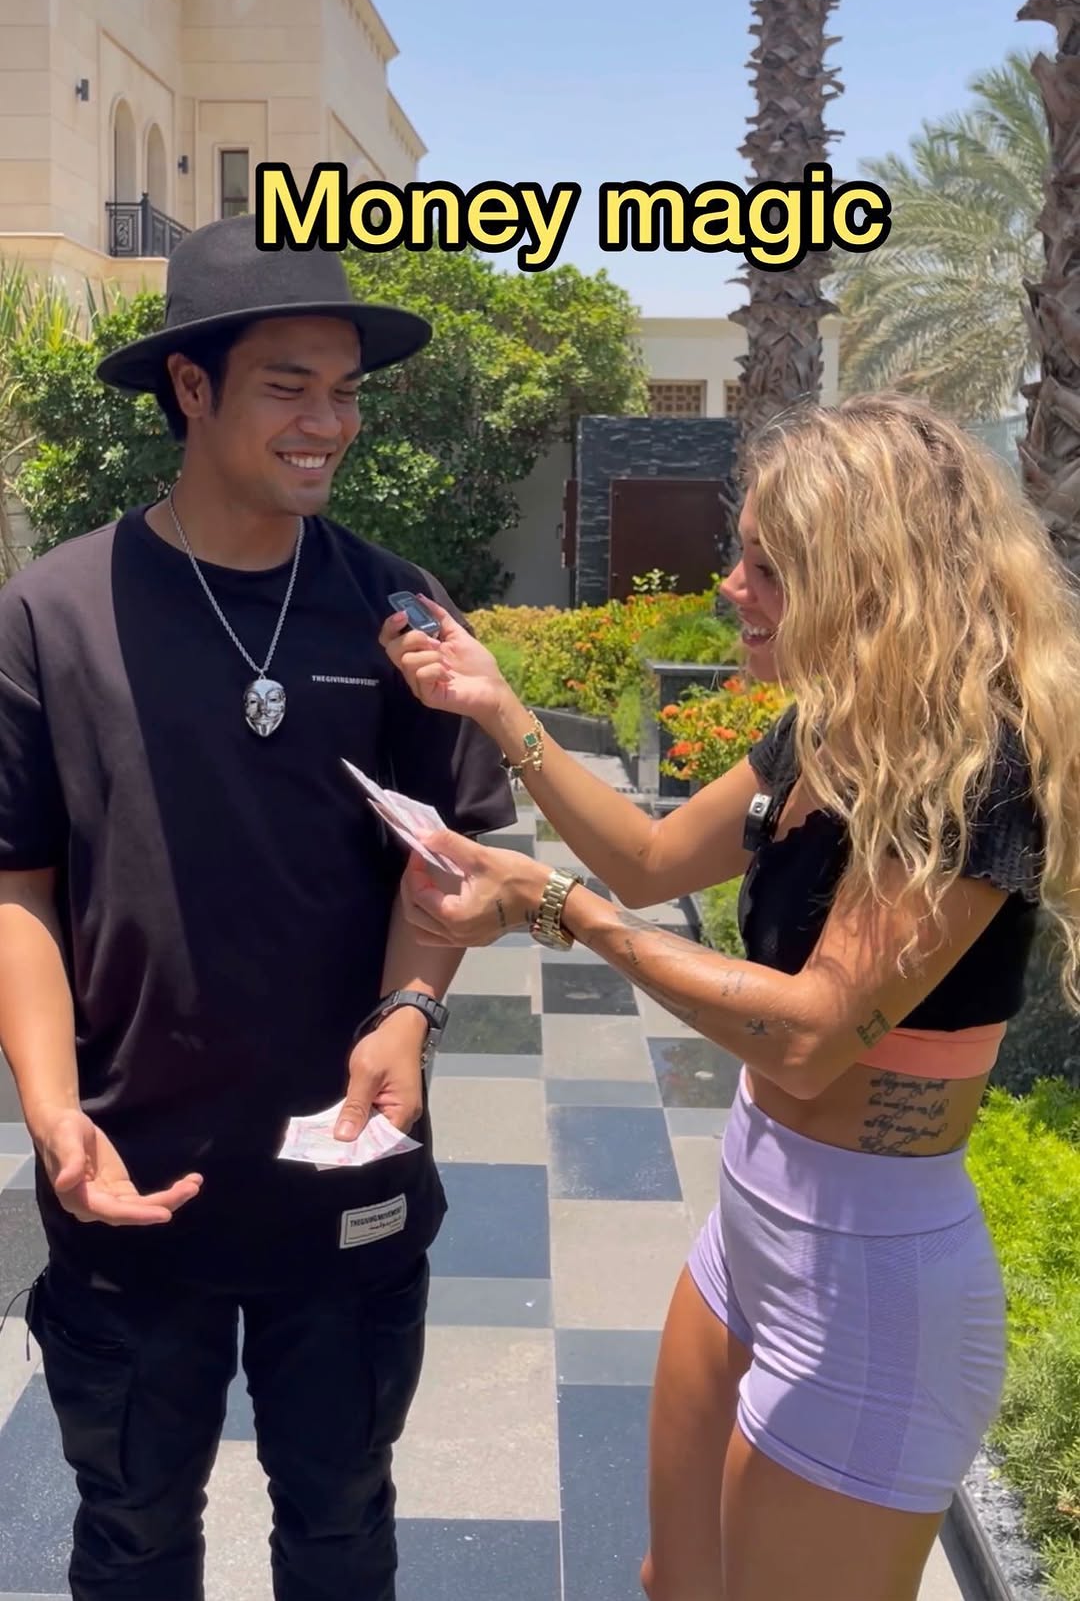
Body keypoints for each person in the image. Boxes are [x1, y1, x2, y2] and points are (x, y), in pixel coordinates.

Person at [377, 393, 1080, 1601]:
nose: (730, 587)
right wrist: (498, 708)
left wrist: (558, 908)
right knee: (676, 1581)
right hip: (752, 1223)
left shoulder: (977, 768)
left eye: (767, 565)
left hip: (870, 1281)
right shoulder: (832, 730)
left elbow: (808, 1036)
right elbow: (653, 861)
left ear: (867, 579)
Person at [0, 213, 516, 1601]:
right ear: (192, 385)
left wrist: (410, 1008)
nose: (327, 423)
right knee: (130, 1536)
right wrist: (52, 1113)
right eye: (289, 386)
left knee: (341, 1526)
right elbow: (16, 885)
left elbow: (443, 862)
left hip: (345, 1164)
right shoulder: (55, 612)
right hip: (129, 1173)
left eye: (344, 390)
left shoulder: (395, 608)